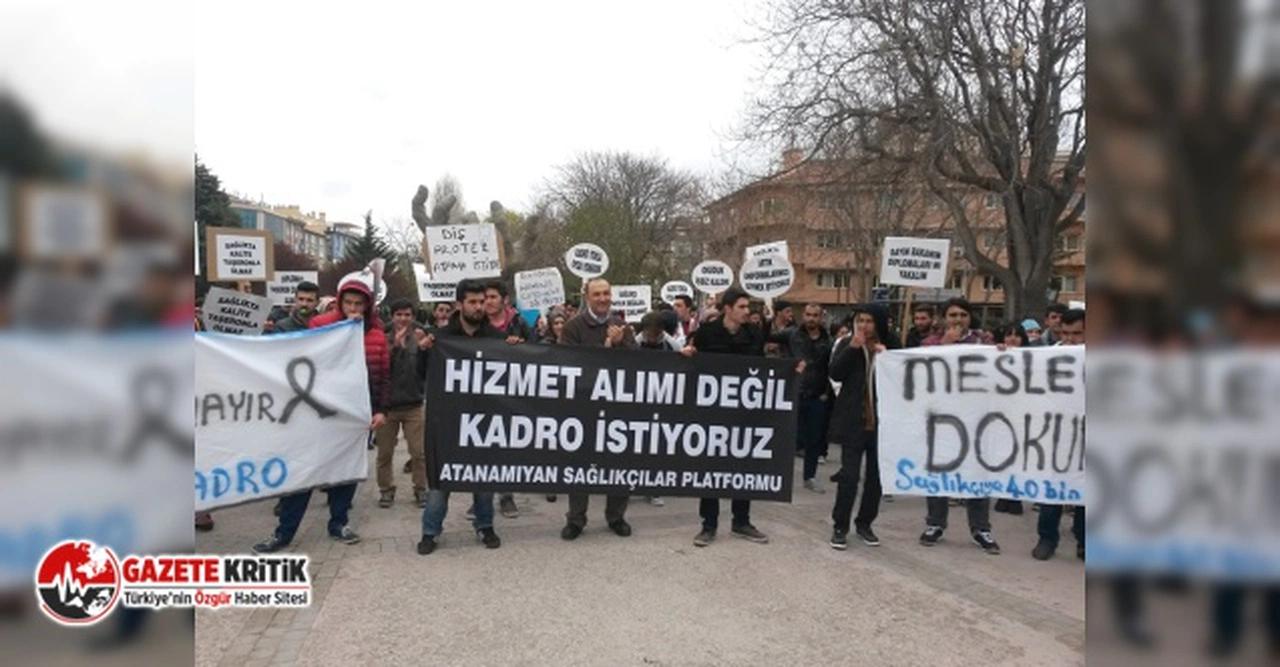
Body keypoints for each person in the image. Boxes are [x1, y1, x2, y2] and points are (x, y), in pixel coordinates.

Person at [254, 273, 389, 553]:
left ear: (367, 306)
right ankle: (284, 532)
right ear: (340, 303)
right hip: (316, 414)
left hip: (354, 416)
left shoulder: (375, 335)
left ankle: (338, 523)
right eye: (348, 303)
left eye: (358, 304)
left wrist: (379, 410)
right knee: (304, 473)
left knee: (346, 472)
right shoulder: (320, 326)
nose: (353, 308)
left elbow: (382, 376)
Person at [682, 288, 801, 547]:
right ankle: (709, 525)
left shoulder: (754, 335)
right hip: (713, 412)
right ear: (728, 308)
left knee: (743, 466)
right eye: (743, 307)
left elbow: (761, 370)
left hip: (744, 413)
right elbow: (693, 366)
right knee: (711, 469)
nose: (748, 312)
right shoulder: (706, 334)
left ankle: (741, 521)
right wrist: (688, 357)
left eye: (748, 307)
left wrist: (791, 370)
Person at [416, 279, 510, 555]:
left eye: (483, 302)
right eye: (473, 302)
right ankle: (430, 531)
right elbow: (421, 375)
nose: (479, 307)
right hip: (446, 421)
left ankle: (485, 525)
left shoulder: (496, 339)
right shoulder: (439, 338)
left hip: (484, 421)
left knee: (483, 478)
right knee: (440, 480)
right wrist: (422, 353)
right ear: (460, 304)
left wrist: (515, 350)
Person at [919, 297, 1000, 554]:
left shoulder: (983, 342)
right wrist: (944, 346)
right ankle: (935, 523)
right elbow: (921, 370)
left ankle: (980, 528)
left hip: (976, 418)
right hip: (942, 418)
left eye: (963, 315)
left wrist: (1002, 354)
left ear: (970, 317)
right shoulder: (931, 342)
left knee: (977, 471)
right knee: (939, 470)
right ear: (944, 318)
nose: (958, 320)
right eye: (952, 315)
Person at [559, 277, 638, 540]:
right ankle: (576, 519)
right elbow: (566, 362)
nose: (603, 299)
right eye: (597, 294)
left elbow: (640, 364)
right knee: (580, 464)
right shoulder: (573, 327)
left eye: (606, 293)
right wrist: (605, 348)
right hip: (583, 407)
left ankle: (616, 516)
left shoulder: (622, 326)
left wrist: (621, 344)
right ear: (587, 297)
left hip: (618, 408)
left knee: (619, 462)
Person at [829, 303, 899, 549]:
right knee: (848, 477)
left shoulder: (892, 345)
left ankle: (865, 523)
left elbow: (906, 376)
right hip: (854, 422)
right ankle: (840, 526)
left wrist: (887, 358)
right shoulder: (848, 344)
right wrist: (852, 349)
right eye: (860, 321)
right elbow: (835, 373)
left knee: (875, 479)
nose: (864, 326)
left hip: (883, 424)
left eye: (869, 321)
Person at [1032, 308, 1086, 561]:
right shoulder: (1048, 356)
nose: (1071, 339)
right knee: (1053, 485)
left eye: (1078, 334)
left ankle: (1085, 539)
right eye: (1065, 333)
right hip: (1055, 434)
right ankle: (1047, 538)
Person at [483, 279, 532, 518]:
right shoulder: (476, 323)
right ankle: (481, 496)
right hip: (481, 393)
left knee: (505, 446)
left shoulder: (519, 323)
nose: (488, 302)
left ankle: (506, 496)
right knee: (481, 444)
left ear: (504, 299)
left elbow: (538, 351)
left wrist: (522, 347)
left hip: (512, 393)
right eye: (484, 298)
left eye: (492, 297)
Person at [376, 298, 431, 509]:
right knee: (384, 454)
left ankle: (420, 489)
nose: (403, 318)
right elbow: (380, 369)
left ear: (413, 317)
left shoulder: (420, 337)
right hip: (387, 408)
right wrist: (396, 347)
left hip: (414, 405)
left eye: (407, 315)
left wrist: (426, 349)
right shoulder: (382, 339)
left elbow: (426, 369)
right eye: (399, 314)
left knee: (419, 453)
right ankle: (386, 490)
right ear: (392, 316)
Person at [790, 303, 833, 492]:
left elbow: (832, 368)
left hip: (818, 394)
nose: (811, 319)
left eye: (815, 315)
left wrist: (826, 392)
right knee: (788, 436)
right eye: (808, 314)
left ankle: (810, 476)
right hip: (795, 392)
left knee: (814, 439)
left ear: (821, 317)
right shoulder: (793, 336)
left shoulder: (829, 341)